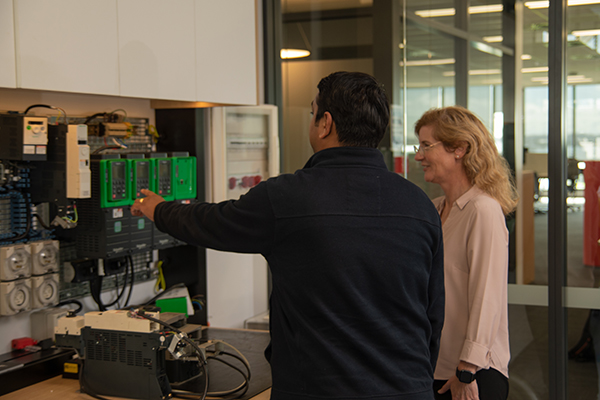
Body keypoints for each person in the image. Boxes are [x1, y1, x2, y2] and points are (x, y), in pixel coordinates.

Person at [132, 71, 445, 400]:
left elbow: (211, 221)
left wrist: (158, 209)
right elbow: (433, 314)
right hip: (409, 389)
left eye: (312, 113)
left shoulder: (287, 198)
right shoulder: (420, 206)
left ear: (325, 123)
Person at [414, 106, 519, 400]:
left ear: (459, 149)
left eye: (426, 145)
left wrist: (466, 369)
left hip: (472, 373)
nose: (418, 156)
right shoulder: (434, 210)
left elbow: (487, 298)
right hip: (435, 367)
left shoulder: (483, 210)